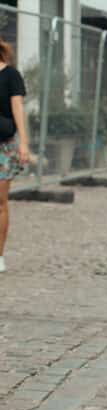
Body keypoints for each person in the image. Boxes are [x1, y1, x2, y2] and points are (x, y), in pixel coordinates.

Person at [0, 38, 30, 274]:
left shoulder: (11, 76)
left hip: (3, 147)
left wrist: (24, 144)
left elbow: (18, 108)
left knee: (0, 203)